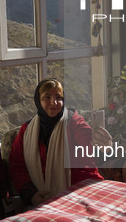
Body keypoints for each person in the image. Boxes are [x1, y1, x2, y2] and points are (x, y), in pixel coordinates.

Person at [9, 78, 112, 207]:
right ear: (38, 101)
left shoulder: (72, 121)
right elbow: (17, 166)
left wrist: (102, 145)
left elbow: (87, 144)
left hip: (82, 189)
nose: (54, 102)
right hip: (42, 196)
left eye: (59, 97)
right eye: (47, 97)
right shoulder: (27, 130)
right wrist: (31, 195)